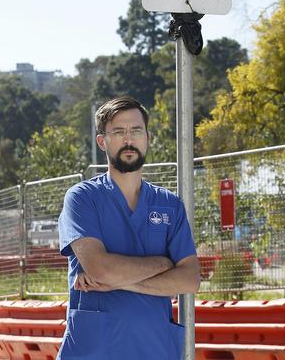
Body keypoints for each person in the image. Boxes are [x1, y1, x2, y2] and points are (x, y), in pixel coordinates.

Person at [57, 96, 200, 359]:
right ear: (102, 141)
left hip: (154, 348)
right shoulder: (82, 198)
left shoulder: (169, 205)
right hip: (95, 350)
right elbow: (101, 269)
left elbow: (190, 279)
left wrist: (117, 283)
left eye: (135, 130)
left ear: (147, 137)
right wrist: (163, 265)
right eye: (119, 132)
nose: (128, 139)